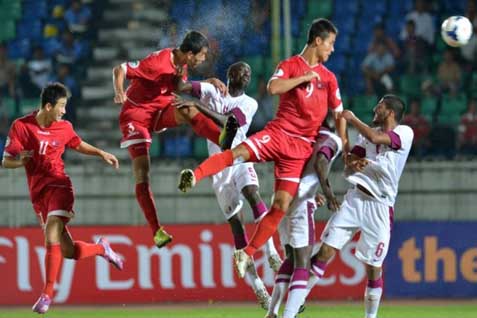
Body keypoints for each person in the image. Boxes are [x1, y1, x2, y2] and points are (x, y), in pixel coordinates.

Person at [177, 18, 347, 278]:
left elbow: (339, 115)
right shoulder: (291, 65)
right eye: (331, 43)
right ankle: (195, 176)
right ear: (317, 41)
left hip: (300, 149)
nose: (332, 49)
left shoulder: (330, 79)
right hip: (279, 134)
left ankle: (246, 253)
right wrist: (302, 78)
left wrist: (345, 148)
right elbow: (274, 87)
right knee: (237, 154)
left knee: (280, 205)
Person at [2, 83, 123, 314]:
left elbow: (77, 143)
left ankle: (47, 295)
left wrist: (101, 153)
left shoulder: (65, 127)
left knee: (51, 232)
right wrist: (22, 161)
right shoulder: (21, 126)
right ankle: (101, 249)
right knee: (69, 252)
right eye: (61, 106)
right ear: (48, 106)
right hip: (38, 195)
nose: (64, 111)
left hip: (60, 185)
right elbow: (6, 161)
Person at [175, 61, 283, 310]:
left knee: (254, 195)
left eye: (249, 71)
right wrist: (206, 79)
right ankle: (259, 290)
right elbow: (181, 86)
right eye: (241, 70)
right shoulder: (213, 91)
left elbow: (228, 123)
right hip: (219, 169)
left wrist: (198, 105)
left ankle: (271, 252)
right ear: (230, 74)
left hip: (241, 157)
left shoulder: (250, 103)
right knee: (237, 229)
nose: (246, 73)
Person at [112, 30, 227, 249]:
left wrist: (208, 81)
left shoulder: (181, 64)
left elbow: (177, 87)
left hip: (159, 111)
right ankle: (156, 231)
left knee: (189, 109)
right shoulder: (156, 63)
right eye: (202, 55)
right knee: (142, 174)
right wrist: (119, 92)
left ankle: (226, 141)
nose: (203, 59)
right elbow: (121, 69)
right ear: (191, 54)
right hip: (136, 117)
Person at [303, 95, 413, 318]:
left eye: (380, 105)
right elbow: (351, 160)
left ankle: (370, 317)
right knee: (325, 251)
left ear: (391, 112)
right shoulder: (367, 140)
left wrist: (351, 118)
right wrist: (353, 160)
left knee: (374, 267)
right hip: (355, 200)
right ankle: (298, 301)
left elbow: (375, 135)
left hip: (380, 205)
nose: (375, 108)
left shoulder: (404, 133)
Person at [266, 122, 342, 318]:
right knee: (302, 262)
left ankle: (272, 312)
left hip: (281, 195)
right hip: (300, 198)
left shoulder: (300, 133)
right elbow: (320, 162)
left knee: (290, 258)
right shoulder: (331, 140)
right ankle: (288, 315)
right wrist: (329, 194)